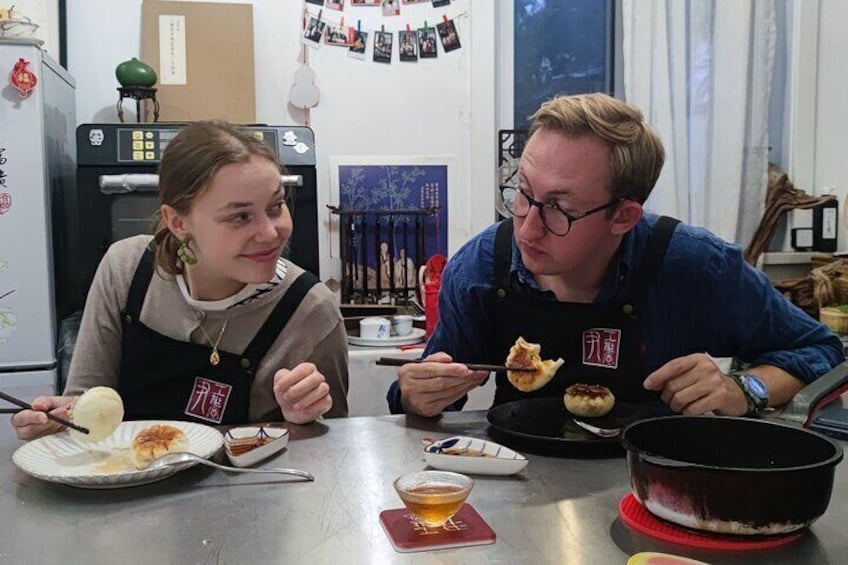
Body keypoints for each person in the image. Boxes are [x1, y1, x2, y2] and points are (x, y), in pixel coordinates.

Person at [387, 92, 845, 418]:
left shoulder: (695, 266)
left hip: (659, 487)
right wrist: (415, 395)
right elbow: (431, 394)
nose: (526, 226)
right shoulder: (482, 268)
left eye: (560, 209)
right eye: (523, 193)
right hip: (519, 491)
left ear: (624, 217)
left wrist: (744, 388)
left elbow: (820, 350)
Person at [13, 121, 349, 440]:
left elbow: (331, 452)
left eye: (276, 206)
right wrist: (61, 422)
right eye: (240, 216)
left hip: (245, 498)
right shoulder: (126, 269)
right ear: (177, 222)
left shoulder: (310, 311)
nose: (269, 232)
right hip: (120, 490)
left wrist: (301, 421)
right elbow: (83, 402)